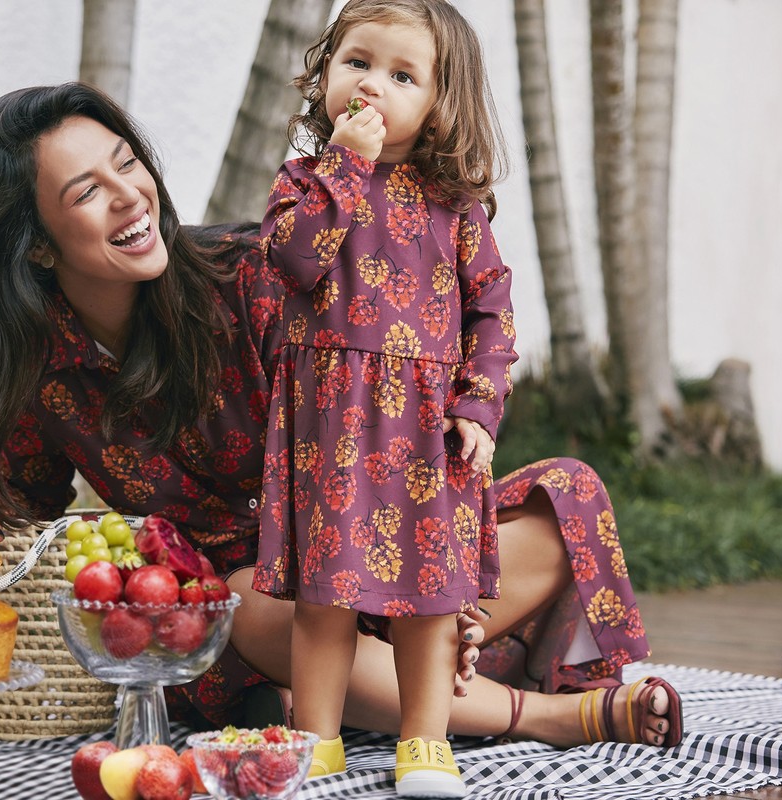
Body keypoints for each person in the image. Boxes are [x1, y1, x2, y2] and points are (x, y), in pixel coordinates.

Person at [0, 80, 683, 779]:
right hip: (267, 610)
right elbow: (24, 500)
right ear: (36, 243)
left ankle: (363, 690)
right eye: (88, 191)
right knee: (252, 608)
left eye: (127, 164)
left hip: (382, 542)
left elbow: (396, 408)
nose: (129, 195)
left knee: (565, 499)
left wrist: (442, 564)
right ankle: (548, 717)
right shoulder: (46, 378)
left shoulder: (250, 273)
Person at [250, 1, 514, 794]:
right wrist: (345, 167)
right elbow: (296, 261)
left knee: (428, 601)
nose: (372, 85)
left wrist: (479, 404)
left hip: (426, 432)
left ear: (439, 103)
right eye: (357, 62)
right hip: (330, 429)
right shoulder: (304, 183)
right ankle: (317, 740)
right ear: (326, 73)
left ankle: (424, 742)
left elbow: (492, 310)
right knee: (324, 598)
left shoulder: (455, 206)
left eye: (402, 76)